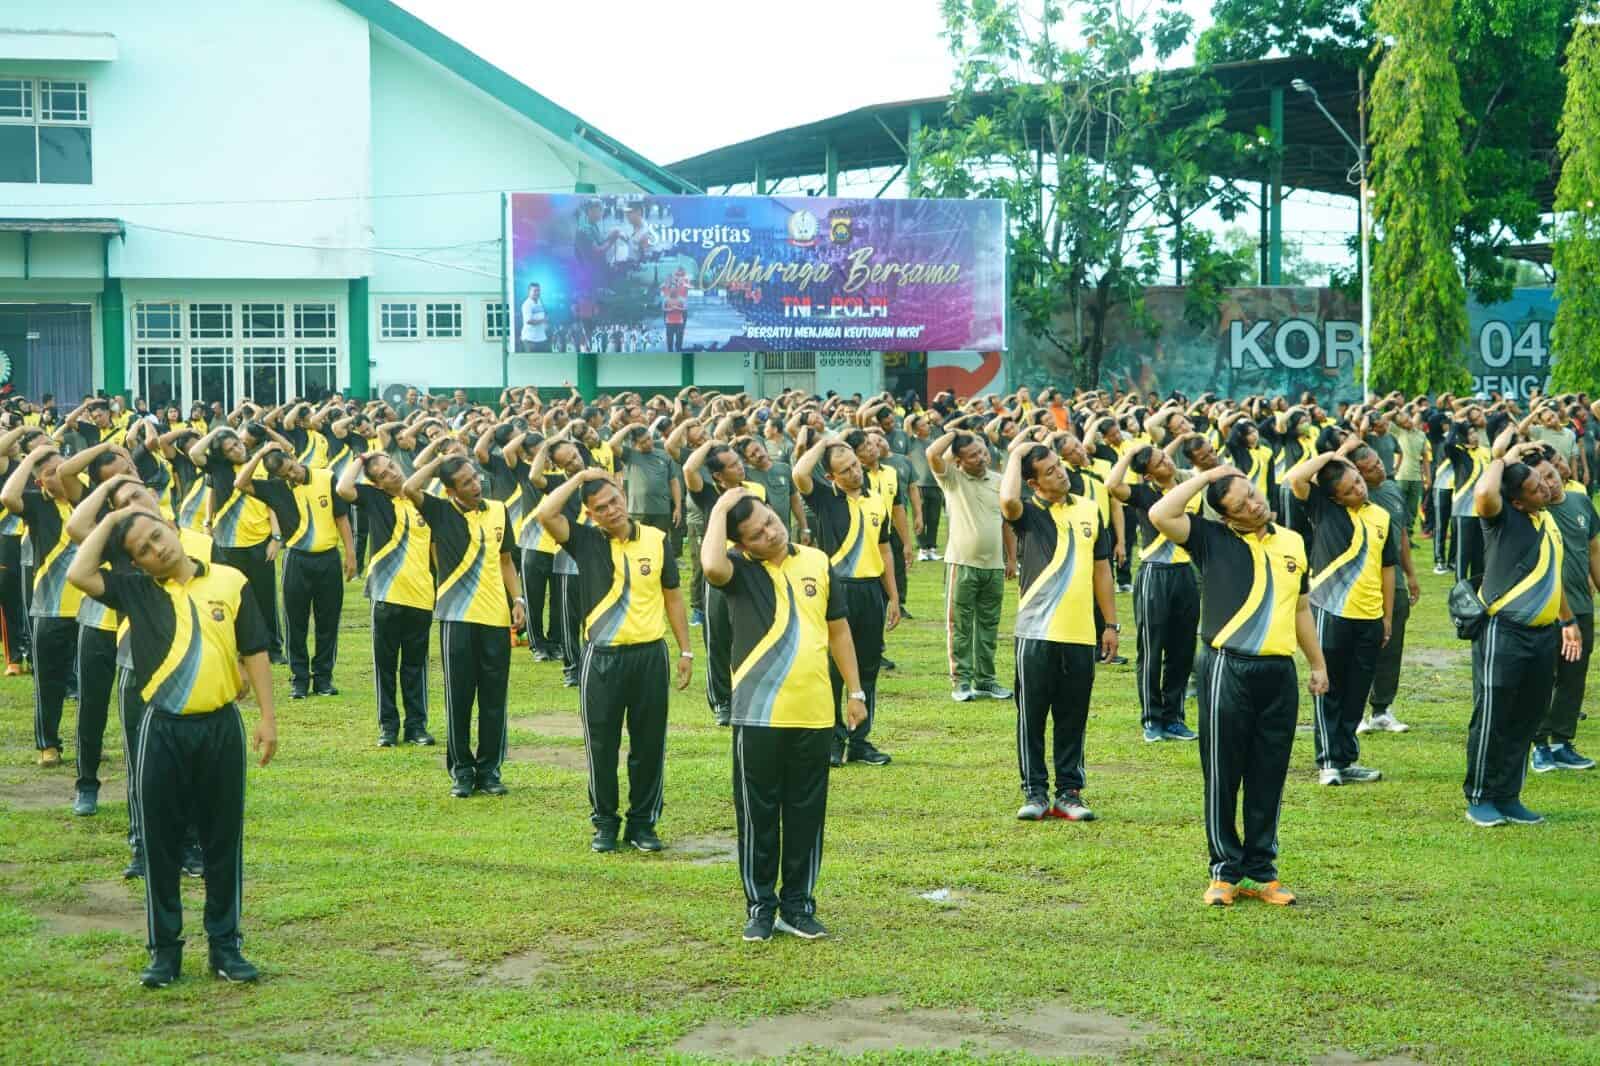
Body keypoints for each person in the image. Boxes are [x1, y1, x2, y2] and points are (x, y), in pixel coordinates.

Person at [67, 506, 277, 988]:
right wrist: (117, 515)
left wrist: (268, 719)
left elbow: (256, 650)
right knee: (160, 844)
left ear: (173, 530)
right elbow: (80, 571)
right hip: (160, 730)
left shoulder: (230, 580)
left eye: (156, 536)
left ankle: (225, 947)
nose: (156, 548)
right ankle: (165, 953)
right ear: (136, 564)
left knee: (223, 841)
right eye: (142, 549)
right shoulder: (135, 592)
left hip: (221, 727)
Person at [1147, 464, 1328, 908]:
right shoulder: (1211, 540)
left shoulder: (1292, 541)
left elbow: (1302, 609)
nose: (1256, 502)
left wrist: (1317, 664)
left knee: (1269, 774)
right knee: (1224, 772)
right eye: (1243, 501)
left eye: (1254, 493)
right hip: (1227, 668)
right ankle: (1224, 871)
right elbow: (1161, 514)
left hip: (1278, 674)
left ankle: (1261, 872)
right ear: (1228, 517)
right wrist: (1208, 477)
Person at [702, 489, 868, 942]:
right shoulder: (737, 571)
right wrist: (718, 509)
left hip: (814, 713)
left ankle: (797, 905)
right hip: (756, 715)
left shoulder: (817, 560)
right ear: (742, 545)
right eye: (757, 533)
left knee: (805, 814)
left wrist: (855, 692)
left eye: (771, 521)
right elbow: (711, 565)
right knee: (757, 813)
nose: (771, 533)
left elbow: (839, 631)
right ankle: (760, 905)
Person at [536, 469, 693, 853]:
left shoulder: (656, 540)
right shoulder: (585, 541)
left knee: (649, 745)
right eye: (601, 508)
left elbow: (672, 595)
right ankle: (605, 823)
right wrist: (577, 480)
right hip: (602, 657)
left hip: (649, 656)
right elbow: (545, 514)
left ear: (623, 496)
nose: (611, 511)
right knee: (602, 746)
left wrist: (685, 650)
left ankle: (643, 824)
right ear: (589, 514)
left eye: (614, 501)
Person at [1000, 439, 1118, 822]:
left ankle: (1069, 792)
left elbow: (1103, 569)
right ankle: (1034, 792)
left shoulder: (1088, 508)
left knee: (1073, 717)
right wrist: (1016, 456)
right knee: (1031, 717)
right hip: (1035, 634)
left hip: (1080, 635)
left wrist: (1111, 624)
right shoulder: (1028, 513)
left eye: (1059, 465)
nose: (1061, 472)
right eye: (1049, 471)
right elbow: (1006, 502)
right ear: (1033, 483)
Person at [1464, 444, 1582, 827]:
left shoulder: (1546, 520)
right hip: (1504, 632)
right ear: (1514, 502)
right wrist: (1501, 459)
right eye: (1534, 488)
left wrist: (1567, 621)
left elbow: (1551, 576)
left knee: (1527, 717)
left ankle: (1509, 794)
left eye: (1544, 481)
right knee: (1494, 715)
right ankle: (1480, 797)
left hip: (1543, 635)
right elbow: (1484, 493)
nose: (1545, 489)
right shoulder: (1500, 520)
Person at [403, 454, 524, 798]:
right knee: (459, 698)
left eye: (476, 478)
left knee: (494, 699)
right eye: (467, 481)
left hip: (495, 620)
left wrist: (518, 600)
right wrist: (439, 459)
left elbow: (505, 561)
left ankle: (489, 770)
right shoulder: (440, 511)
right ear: (450, 489)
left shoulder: (499, 510)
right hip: (457, 618)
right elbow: (410, 486)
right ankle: (462, 771)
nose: (476, 485)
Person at [1286, 435, 1397, 785]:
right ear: (1334, 496)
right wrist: (1333, 455)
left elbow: (1387, 567)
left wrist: (1387, 617)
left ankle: (1347, 759)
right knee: (1328, 686)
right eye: (1349, 489)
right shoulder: (1324, 508)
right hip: (1329, 613)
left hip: (1369, 617)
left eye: (1359, 483)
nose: (1359, 490)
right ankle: (1329, 761)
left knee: (1356, 692)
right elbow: (1296, 478)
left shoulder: (1381, 515)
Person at [793, 430, 898, 767]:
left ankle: (860, 740)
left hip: (870, 592)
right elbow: (799, 474)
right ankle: (833, 739)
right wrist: (824, 444)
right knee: (833, 668)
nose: (855, 472)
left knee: (867, 666)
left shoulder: (875, 499)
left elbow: (885, 549)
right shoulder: (824, 498)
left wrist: (893, 596)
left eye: (856, 465)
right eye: (846, 469)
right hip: (835, 589)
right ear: (831, 477)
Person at [234, 443, 354, 699]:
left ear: (293, 457)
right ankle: (299, 680)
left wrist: (351, 554)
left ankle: (323, 678)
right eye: (285, 475)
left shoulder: (326, 476)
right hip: (297, 560)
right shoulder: (277, 489)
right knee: (295, 622)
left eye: (291, 469)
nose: (292, 476)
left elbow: (341, 517)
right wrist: (258, 454)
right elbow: (240, 483)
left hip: (328, 558)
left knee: (327, 621)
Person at [337, 452, 436, 748]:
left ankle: (417, 726)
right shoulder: (374, 499)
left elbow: (435, 547)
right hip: (386, 595)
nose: (391, 474)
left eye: (391, 466)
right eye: (382, 474)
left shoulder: (422, 500)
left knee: (415, 665)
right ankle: (388, 728)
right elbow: (343, 488)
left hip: (421, 595)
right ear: (376, 484)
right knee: (386, 665)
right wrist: (362, 458)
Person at [1106, 444, 1203, 742]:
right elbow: (1112, 485)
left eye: (1166, 456)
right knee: (1151, 648)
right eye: (1159, 461)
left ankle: (1174, 718)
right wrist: (1129, 452)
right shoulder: (1145, 495)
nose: (1167, 461)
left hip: (1186, 573)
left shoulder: (1188, 489)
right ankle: (1152, 719)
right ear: (1148, 474)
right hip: (1154, 575)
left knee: (1183, 650)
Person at [1, 442, 85, 767]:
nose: (61, 476)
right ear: (39, 482)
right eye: (51, 473)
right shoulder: (36, 505)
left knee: (88, 685)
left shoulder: (85, 501)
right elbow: (8, 497)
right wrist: (33, 458)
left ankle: (86, 742)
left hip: (90, 609)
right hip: (49, 609)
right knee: (48, 683)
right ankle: (48, 744)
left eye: (64, 469)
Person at [683, 439, 767, 727]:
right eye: (731, 465)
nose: (740, 466)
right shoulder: (708, 494)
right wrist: (709, 444)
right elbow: (689, 468)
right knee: (718, 638)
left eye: (738, 460)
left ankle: (751, 694)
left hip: (752, 568)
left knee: (755, 633)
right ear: (718, 475)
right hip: (719, 568)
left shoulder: (755, 491)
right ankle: (722, 702)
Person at [1526, 450, 1598, 773]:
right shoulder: (1527, 512)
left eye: (1552, 475)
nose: (1550, 484)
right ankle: (1538, 744)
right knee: (1542, 678)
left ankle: (1561, 742)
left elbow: (1595, 550)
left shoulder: (1581, 503)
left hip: (1581, 607)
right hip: (1544, 611)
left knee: (1573, 677)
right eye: (1542, 479)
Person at [927, 429, 1012, 702]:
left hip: (994, 567)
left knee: (988, 625)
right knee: (960, 625)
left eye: (982, 451)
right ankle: (961, 682)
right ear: (958, 461)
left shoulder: (998, 481)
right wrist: (954, 432)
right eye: (973, 454)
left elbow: (1007, 523)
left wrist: (1011, 559)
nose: (981, 458)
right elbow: (932, 453)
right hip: (961, 564)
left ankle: (985, 681)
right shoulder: (952, 480)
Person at [189, 426, 285, 663]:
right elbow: (195, 453)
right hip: (228, 543)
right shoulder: (218, 468)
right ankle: (237, 647)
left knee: (265, 599)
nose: (237, 449)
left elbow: (273, 502)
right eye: (230, 449)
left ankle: (273, 648)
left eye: (237, 444)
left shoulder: (262, 463)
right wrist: (219, 430)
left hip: (260, 541)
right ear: (223, 455)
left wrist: (276, 538)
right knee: (233, 597)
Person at [1350, 443, 1420, 735]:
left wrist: (1411, 574)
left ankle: (1381, 709)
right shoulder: (1348, 499)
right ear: (1358, 474)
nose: (1380, 467)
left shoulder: (1391, 490)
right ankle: (1353, 712)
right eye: (1371, 467)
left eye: (1379, 462)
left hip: (1395, 580)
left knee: (1392, 646)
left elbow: (1401, 533)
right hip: (1363, 581)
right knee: (1358, 648)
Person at [520, 283, 550, 353]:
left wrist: (545, 324)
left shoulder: (540, 302)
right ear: (529, 292)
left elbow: (542, 316)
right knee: (532, 362)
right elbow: (529, 321)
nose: (537, 293)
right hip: (530, 340)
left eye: (538, 290)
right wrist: (543, 320)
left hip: (541, 338)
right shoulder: (526, 304)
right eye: (535, 291)